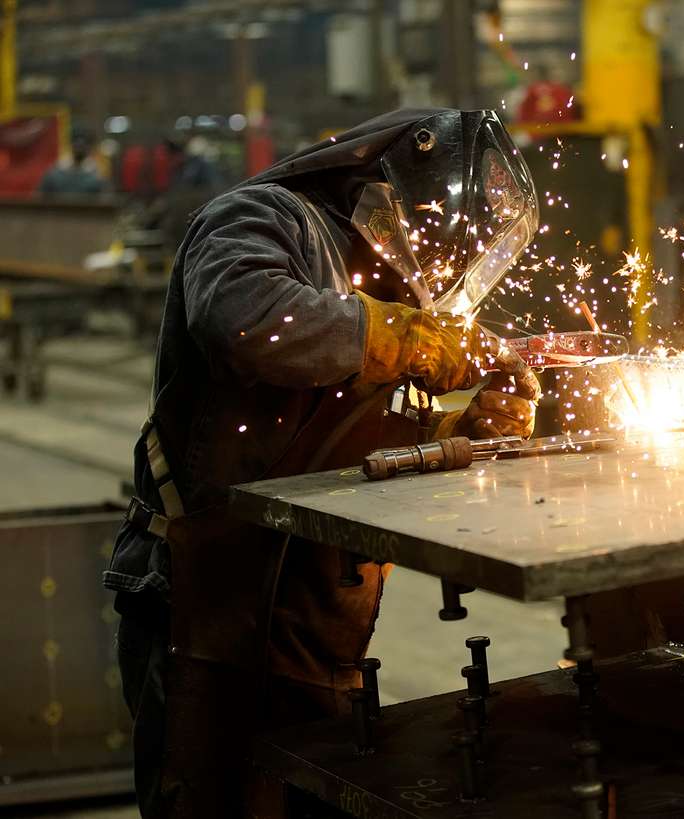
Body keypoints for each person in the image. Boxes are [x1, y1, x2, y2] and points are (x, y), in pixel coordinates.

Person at [105, 108, 541, 818]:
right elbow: (249, 321)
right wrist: (417, 343)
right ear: (402, 191)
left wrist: (472, 430)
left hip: (317, 629)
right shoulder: (263, 218)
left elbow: (365, 450)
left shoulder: (395, 301)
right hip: (205, 613)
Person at [37, 130, 107, 195]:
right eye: (77, 144)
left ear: (89, 148)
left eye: (83, 145)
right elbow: (41, 197)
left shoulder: (97, 177)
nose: (79, 147)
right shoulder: (54, 173)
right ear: (71, 145)